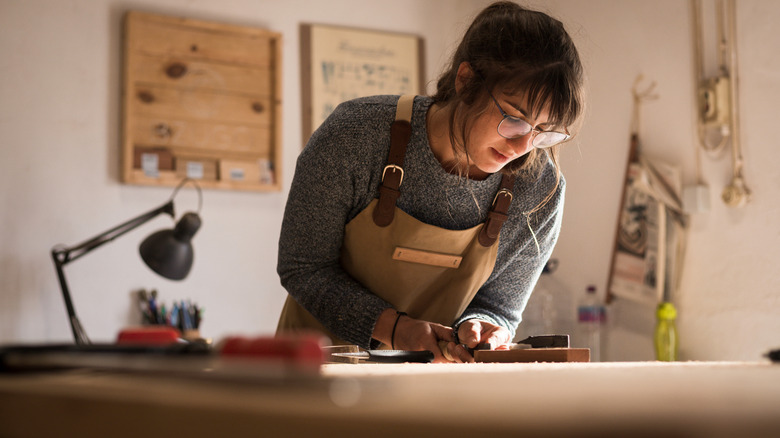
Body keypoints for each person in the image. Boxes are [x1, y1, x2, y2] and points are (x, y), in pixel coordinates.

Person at [276, 1, 584, 363]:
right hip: (314, 373)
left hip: (431, 387)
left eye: (544, 132)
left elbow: (499, 306)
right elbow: (304, 266)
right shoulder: (357, 135)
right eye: (515, 119)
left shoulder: (538, 189)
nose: (523, 147)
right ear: (466, 80)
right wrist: (395, 329)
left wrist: (484, 328)